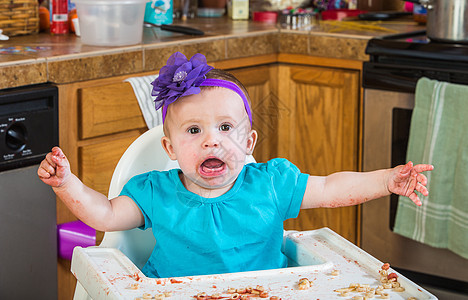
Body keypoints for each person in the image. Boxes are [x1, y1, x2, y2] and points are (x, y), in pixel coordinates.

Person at [38, 52, 433, 278]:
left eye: (226, 127)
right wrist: (67, 184)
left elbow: (331, 189)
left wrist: (386, 180)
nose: (212, 140)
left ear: (248, 143)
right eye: (193, 130)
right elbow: (105, 215)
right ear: (170, 148)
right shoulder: (154, 192)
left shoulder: (272, 183)